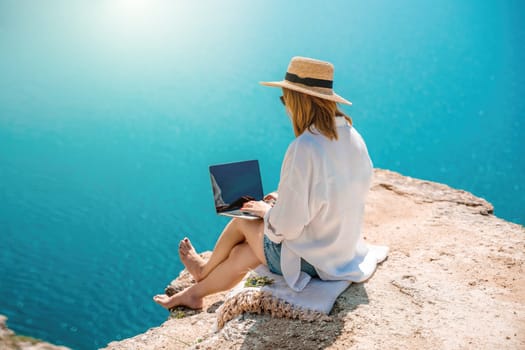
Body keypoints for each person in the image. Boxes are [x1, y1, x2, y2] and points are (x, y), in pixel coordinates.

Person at [153, 56, 374, 310]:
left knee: (244, 217)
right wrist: (277, 204)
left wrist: (266, 212)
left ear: (298, 101)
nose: (285, 107)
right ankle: (195, 293)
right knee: (242, 253)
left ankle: (204, 269)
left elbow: (286, 228)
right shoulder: (352, 136)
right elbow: (331, 193)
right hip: (341, 250)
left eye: (285, 99)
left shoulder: (305, 147)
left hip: (315, 260)